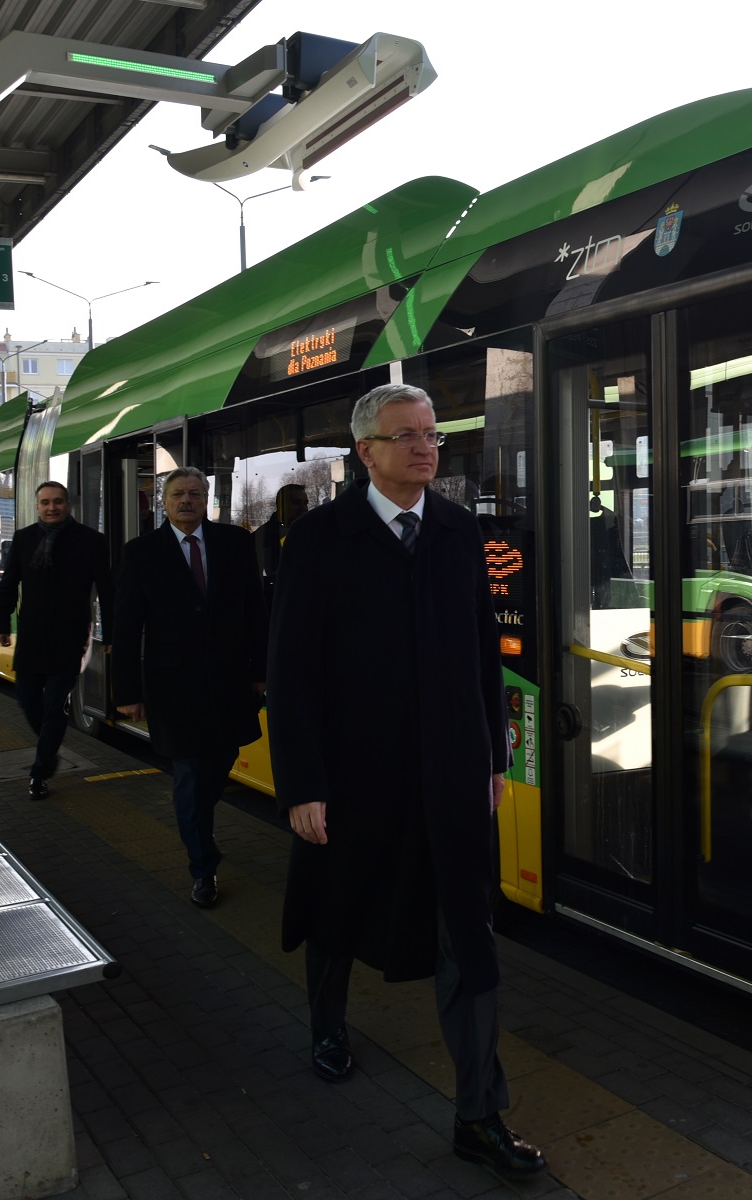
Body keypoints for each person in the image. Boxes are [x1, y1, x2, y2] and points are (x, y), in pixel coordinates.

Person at [266, 383, 545, 1179]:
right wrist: (303, 784)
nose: (427, 448)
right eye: (408, 436)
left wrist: (493, 754)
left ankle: (479, 1113)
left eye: (432, 434)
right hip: (354, 777)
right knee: (336, 907)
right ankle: (328, 1024)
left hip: (454, 771)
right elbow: (293, 673)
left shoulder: (460, 531)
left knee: (470, 934)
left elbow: (484, 654)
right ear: (367, 453)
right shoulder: (320, 540)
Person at [113, 466, 267, 907]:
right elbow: (126, 628)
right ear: (163, 502)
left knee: (217, 769)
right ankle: (203, 868)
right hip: (172, 690)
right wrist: (127, 693)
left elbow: (256, 610)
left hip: (230, 684)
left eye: (195, 494)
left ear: (207, 499)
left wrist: (262, 670)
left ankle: (201, 833)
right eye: (178, 494)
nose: (187, 501)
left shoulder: (236, 544)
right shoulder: (141, 553)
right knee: (190, 777)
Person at [0, 481, 114, 798]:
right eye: (45, 502)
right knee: (27, 700)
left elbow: (108, 590)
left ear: (67, 504)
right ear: (37, 506)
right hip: (32, 635)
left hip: (70, 636)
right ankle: (51, 745)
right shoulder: (24, 539)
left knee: (54, 704)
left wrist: (112, 633)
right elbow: (8, 585)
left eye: (57, 502)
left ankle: (40, 772)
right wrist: (1, 624)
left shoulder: (91, 541)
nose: (51, 507)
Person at [253, 483, 309, 602]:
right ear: (281, 505)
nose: (303, 508)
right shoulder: (262, 537)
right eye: (296, 502)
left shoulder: (309, 535)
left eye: (305, 503)